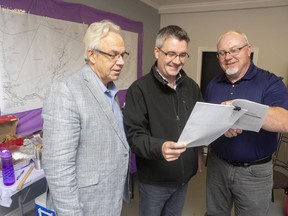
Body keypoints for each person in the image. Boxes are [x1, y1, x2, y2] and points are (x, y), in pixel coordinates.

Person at [42, 20, 130, 216]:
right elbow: (58, 168)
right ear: (92, 55)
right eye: (113, 55)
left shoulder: (109, 90)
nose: (121, 61)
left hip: (106, 201)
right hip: (82, 207)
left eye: (122, 55)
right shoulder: (65, 91)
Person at [205, 30, 288, 216]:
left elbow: (284, 121)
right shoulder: (213, 84)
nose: (228, 57)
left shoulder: (270, 82)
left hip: (254, 173)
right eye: (222, 53)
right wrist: (221, 125)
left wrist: (241, 111)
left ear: (248, 50)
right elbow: (210, 119)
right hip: (217, 166)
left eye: (234, 50)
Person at [124, 25, 203, 216]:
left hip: (184, 178)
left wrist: (198, 155)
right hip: (154, 182)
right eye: (171, 54)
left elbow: (200, 123)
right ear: (157, 52)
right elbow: (134, 136)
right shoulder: (139, 89)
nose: (177, 61)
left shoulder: (191, 86)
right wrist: (159, 148)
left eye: (183, 55)